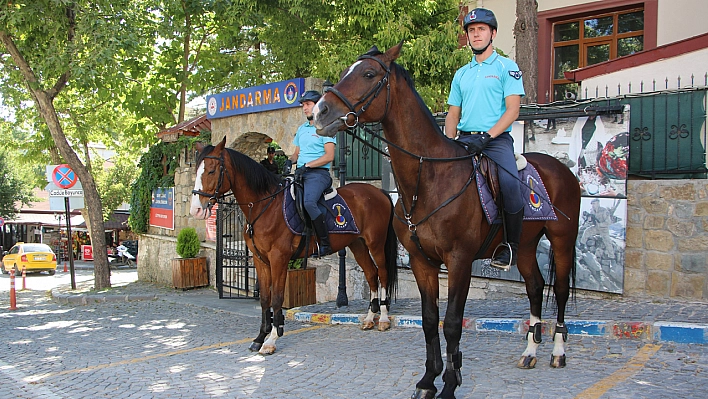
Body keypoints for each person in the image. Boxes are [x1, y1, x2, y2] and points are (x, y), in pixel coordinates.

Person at [444, 7, 525, 271]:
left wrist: (487, 136)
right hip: (465, 140)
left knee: (510, 185)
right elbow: (453, 113)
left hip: (496, 140)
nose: (476, 34)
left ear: (493, 34)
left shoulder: (507, 67)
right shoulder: (461, 74)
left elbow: (513, 109)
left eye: (481, 29)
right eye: (471, 30)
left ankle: (510, 247)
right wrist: (449, 142)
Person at [288, 90, 336, 257]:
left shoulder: (325, 127)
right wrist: (290, 161)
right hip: (301, 173)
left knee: (309, 203)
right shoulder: (302, 129)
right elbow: (296, 154)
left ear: (318, 105)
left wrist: (308, 165)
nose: (304, 108)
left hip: (318, 174)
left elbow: (329, 156)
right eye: (303, 105)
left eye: (307, 104)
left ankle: (325, 243)